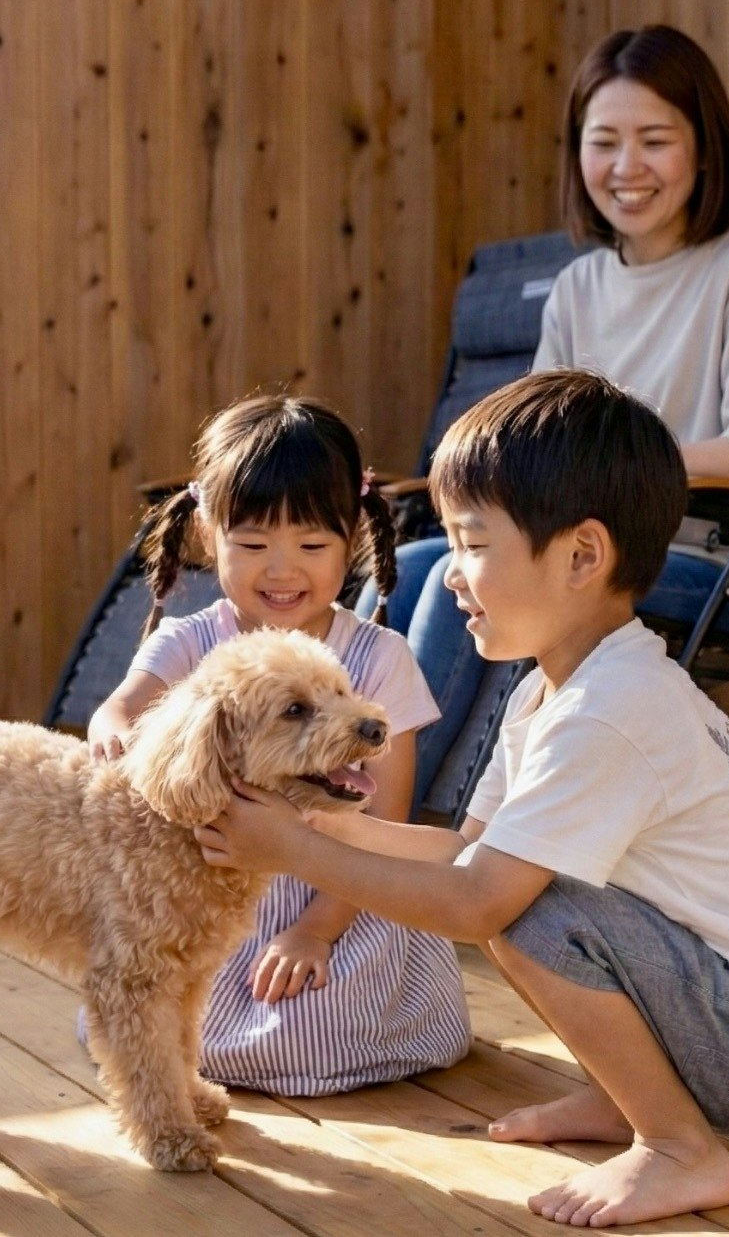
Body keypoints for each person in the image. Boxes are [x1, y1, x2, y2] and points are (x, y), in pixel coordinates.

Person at [198, 371, 729, 1228]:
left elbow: (476, 900)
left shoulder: (609, 712)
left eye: (472, 544)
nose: (450, 575)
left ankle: (678, 1147)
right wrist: (318, 820)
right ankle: (626, 1100)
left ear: (582, 556)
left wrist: (294, 851)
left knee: (522, 910)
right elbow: (463, 849)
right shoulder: (552, 690)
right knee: (515, 882)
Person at [389, 24, 729, 798]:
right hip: (574, 551)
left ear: (705, 149)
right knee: (415, 564)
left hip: (724, 562)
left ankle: (404, 827)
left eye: (655, 140)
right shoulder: (577, 289)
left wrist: (603, 468)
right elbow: (527, 454)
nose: (627, 168)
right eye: (604, 142)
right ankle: (345, 791)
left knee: (480, 579)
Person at [87, 393, 470, 1094]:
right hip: (209, 888)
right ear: (209, 535)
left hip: (340, 894)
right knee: (147, 991)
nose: (282, 571)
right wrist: (112, 732)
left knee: (315, 1024)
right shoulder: (191, 639)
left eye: (312, 546)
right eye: (254, 545)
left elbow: (385, 826)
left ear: (352, 538)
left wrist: (316, 931)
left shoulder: (379, 658)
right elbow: (121, 708)